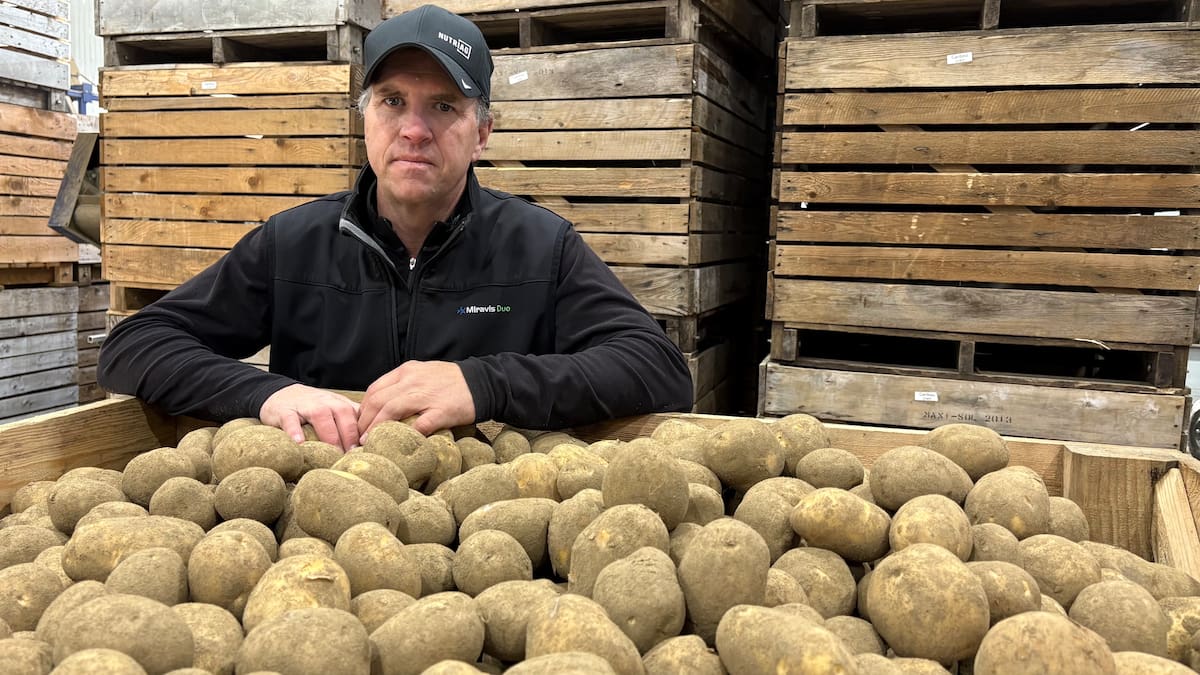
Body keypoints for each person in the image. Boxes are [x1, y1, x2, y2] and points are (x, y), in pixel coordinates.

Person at [97, 4, 694, 450]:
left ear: (482, 134)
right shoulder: (293, 245)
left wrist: (485, 384)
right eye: (392, 101)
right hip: (323, 526)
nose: (413, 130)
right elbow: (135, 344)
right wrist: (264, 392)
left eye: (443, 106)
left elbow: (658, 368)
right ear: (364, 120)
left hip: (486, 521)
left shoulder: (541, 247)